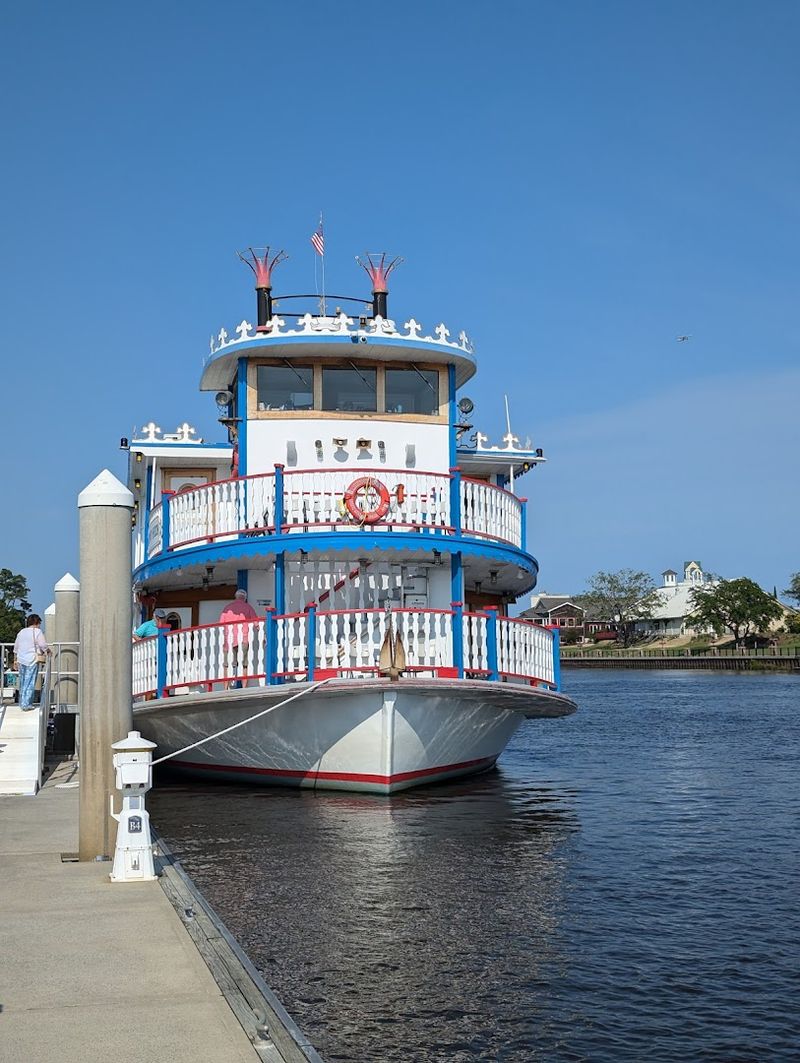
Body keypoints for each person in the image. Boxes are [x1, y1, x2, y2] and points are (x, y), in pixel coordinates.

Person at [220, 590, 259, 688]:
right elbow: (256, 624)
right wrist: (264, 636)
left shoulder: (227, 608)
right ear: (245, 598)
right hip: (243, 640)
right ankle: (244, 687)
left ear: (235, 597)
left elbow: (220, 624)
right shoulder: (248, 607)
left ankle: (225, 688)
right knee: (244, 664)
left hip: (229, 641)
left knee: (227, 665)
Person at [14, 614, 51, 710]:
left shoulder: (21, 632)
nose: (39, 625)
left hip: (21, 659)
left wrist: (15, 660)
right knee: (30, 681)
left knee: (22, 681)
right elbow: (43, 644)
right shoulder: (37, 632)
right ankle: (26, 704)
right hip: (32, 659)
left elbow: (16, 647)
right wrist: (48, 651)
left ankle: (21, 702)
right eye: (39, 623)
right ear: (36, 622)